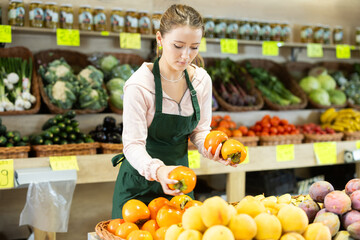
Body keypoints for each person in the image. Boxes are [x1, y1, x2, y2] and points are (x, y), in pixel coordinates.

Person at [111, 4, 237, 218]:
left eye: (194, 47)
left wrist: (212, 149)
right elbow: (132, 145)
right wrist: (158, 171)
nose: (186, 56)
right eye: (178, 46)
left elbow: (199, 131)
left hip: (180, 183)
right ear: (159, 39)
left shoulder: (201, 81)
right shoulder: (140, 85)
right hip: (138, 186)